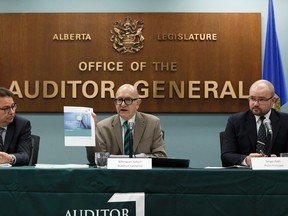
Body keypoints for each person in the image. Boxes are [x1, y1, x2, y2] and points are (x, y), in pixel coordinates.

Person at [86, 84, 167, 165]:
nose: (123, 104)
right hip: (113, 175)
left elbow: (161, 156)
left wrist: (136, 159)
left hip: (143, 175)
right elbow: (96, 160)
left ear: (138, 103)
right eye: (119, 100)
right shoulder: (103, 127)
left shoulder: (152, 123)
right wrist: (91, 133)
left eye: (128, 100)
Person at [221, 79, 288, 167]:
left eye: (261, 99)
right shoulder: (235, 121)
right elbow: (226, 155)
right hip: (246, 176)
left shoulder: (285, 121)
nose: (255, 104)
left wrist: (278, 160)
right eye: (252, 99)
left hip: (276, 176)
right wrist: (246, 160)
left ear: (272, 101)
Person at [0, 87, 32, 166]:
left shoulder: (22, 125)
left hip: (11, 175)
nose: (12, 112)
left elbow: (25, 155)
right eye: (6, 108)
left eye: (13, 106)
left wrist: (11, 158)